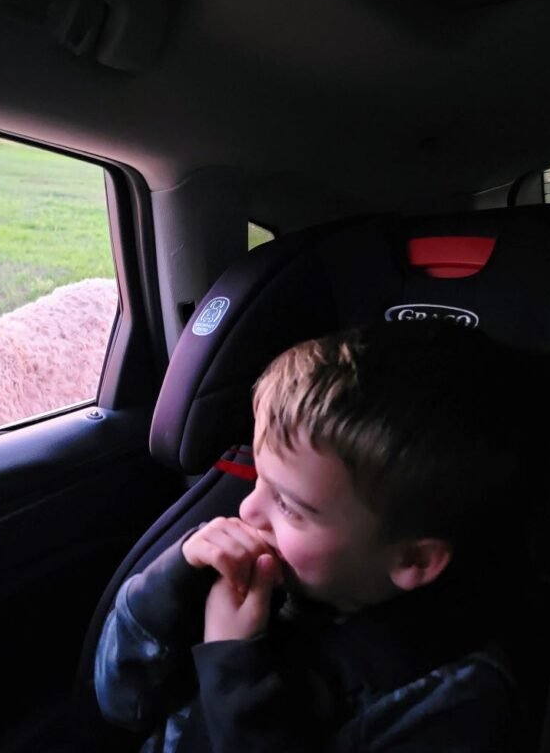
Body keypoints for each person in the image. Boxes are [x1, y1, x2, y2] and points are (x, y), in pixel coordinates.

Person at [94, 321, 526, 753]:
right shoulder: (259, 577)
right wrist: (168, 590)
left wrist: (232, 664)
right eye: (260, 479)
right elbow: (119, 702)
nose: (247, 511)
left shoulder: (448, 700)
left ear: (412, 559)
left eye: (288, 506)